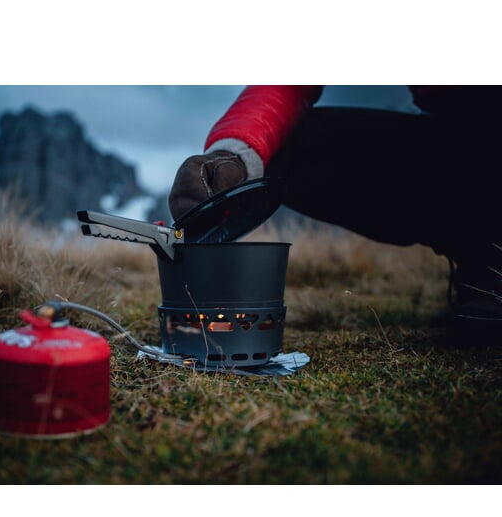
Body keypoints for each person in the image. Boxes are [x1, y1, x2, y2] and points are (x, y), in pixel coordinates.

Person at [169, 85, 502, 346]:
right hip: (454, 149)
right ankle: (480, 259)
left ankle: (492, 270)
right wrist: (235, 154)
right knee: (284, 143)